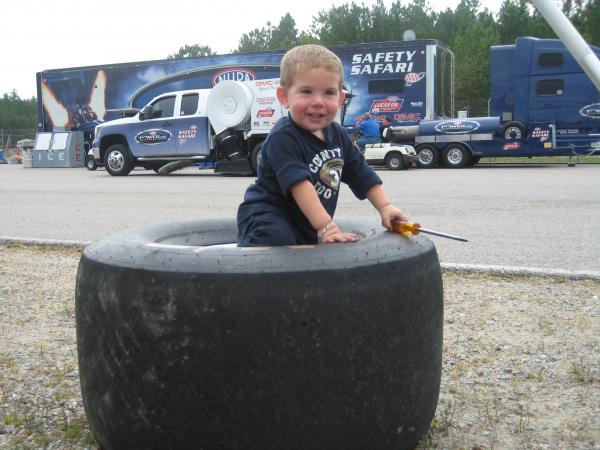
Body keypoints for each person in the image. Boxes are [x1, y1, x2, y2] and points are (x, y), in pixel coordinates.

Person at [236, 44, 408, 247]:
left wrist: (385, 207)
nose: (318, 101)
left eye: (328, 93)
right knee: (278, 237)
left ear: (341, 98)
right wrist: (327, 226)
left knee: (307, 250)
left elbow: (362, 174)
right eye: (306, 91)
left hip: (307, 221)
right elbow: (300, 185)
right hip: (267, 216)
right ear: (284, 97)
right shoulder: (282, 138)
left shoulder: (339, 135)